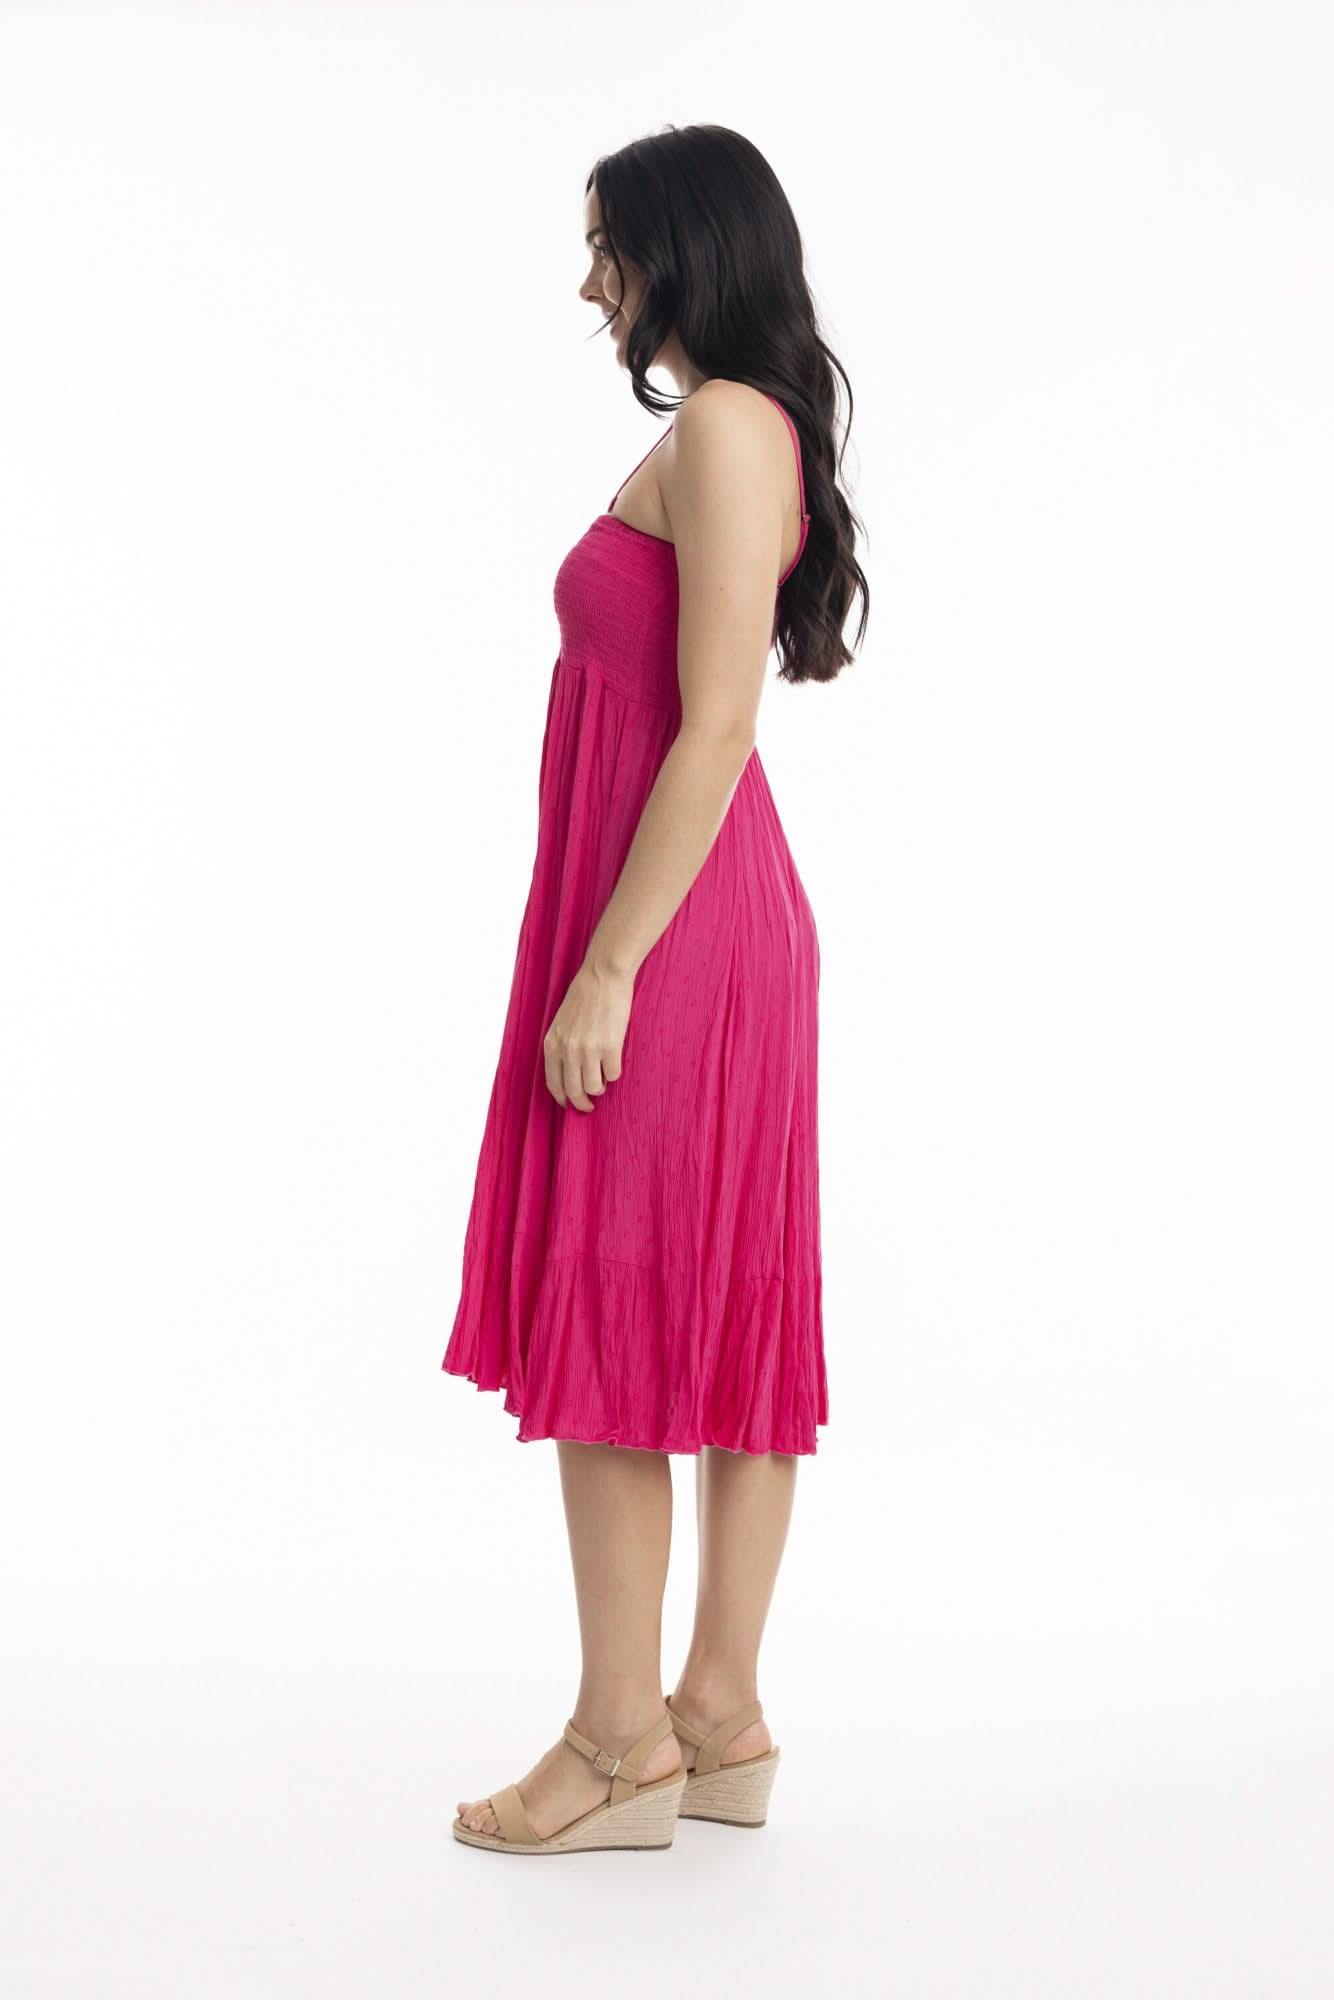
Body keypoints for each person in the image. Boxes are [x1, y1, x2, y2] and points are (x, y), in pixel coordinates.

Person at [444, 123, 868, 1855]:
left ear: (683, 249)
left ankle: (623, 1746)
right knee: (701, 1298)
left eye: (608, 242)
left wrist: (608, 960)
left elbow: (714, 725)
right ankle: (715, 1714)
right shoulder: (745, 427)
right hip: (696, 914)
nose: (590, 277)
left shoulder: (715, 426)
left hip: (675, 929)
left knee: (622, 1306)